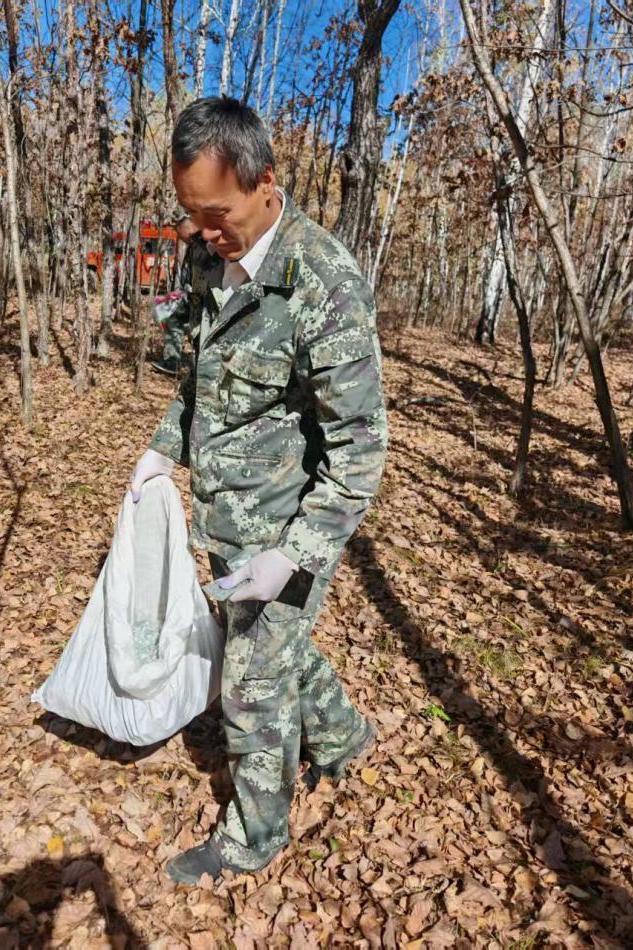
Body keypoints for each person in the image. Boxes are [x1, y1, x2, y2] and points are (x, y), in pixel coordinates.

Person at [127, 96, 389, 885]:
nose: (202, 231)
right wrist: (161, 450)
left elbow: (359, 450)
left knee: (250, 684)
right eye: (190, 213)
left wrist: (293, 556)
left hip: (286, 529)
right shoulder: (208, 259)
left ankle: (253, 837)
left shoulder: (323, 283)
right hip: (225, 516)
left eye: (217, 214)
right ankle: (341, 738)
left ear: (265, 183)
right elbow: (202, 377)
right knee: (270, 646)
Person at [151, 217, 199, 375]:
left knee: (198, 333)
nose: (180, 238)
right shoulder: (193, 246)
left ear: (189, 229)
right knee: (172, 319)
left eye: (180, 233)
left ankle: (198, 370)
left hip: (203, 302)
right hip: (191, 298)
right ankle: (172, 362)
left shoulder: (203, 247)